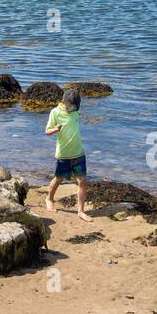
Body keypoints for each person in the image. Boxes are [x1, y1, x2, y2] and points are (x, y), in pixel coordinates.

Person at [44, 89, 89, 221]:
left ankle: (81, 211)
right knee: (59, 178)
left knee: (82, 181)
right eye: (71, 106)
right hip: (63, 154)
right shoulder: (55, 113)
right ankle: (49, 198)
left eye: (75, 107)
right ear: (63, 101)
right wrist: (55, 129)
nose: (73, 109)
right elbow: (47, 131)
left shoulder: (75, 111)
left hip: (78, 153)